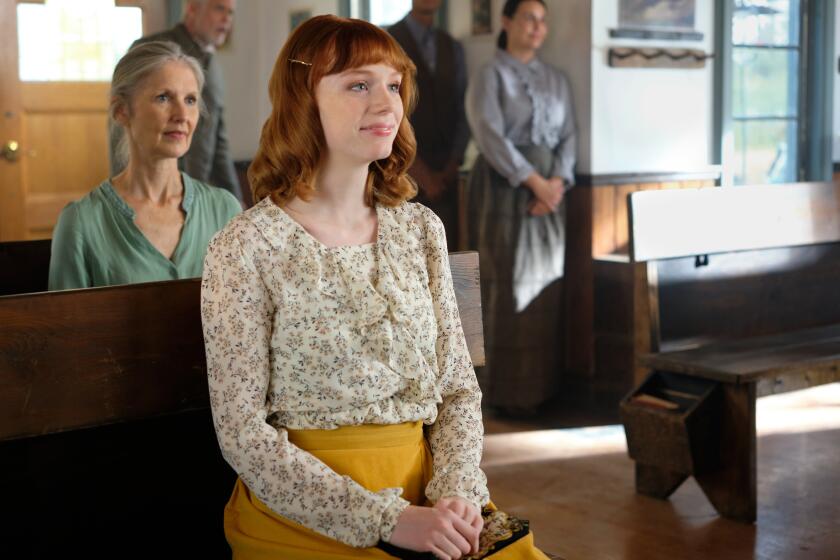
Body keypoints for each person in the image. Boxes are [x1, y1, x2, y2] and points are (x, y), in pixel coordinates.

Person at [200, 15, 549, 560]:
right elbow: (243, 434)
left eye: (393, 85)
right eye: (358, 84)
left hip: (430, 495)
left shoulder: (422, 230)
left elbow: (458, 389)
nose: (387, 105)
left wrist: (455, 493)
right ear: (302, 98)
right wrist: (387, 520)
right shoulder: (244, 247)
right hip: (305, 513)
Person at [49, 41, 240, 290]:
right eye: (163, 98)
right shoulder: (81, 223)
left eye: (190, 100)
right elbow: (66, 327)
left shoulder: (224, 211)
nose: (182, 115)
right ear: (121, 111)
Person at [464, 0, 577, 413]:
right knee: (503, 285)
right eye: (529, 17)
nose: (537, 27)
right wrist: (534, 182)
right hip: (503, 187)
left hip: (550, 192)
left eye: (543, 20)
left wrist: (557, 185)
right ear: (507, 21)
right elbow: (489, 135)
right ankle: (500, 395)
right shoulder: (489, 75)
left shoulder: (556, 79)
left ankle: (539, 390)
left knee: (544, 282)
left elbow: (568, 136)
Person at [109, 0, 244, 203]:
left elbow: (219, 141)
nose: (227, 19)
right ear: (192, 9)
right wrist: (120, 195)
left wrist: (237, 201)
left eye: (231, 13)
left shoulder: (213, 68)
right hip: (146, 195)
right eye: (219, 8)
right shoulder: (151, 51)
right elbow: (120, 130)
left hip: (196, 198)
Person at [389, 0, 469, 250]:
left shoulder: (452, 46)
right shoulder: (389, 40)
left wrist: (453, 163)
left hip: (447, 174)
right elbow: (389, 111)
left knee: (447, 252)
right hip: (400, 168)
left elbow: (462, 107)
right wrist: (419, 171)